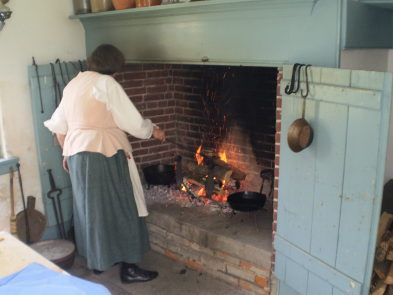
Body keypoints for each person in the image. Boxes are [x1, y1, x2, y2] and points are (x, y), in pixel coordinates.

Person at [44, 44, 165, 283]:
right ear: (114, 66)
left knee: (91, 211)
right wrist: (155, 131)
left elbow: (59, 126)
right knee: (123, 206)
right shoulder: (107, 84)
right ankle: (129, 268)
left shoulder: (74, 83)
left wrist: (68, 153)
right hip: (104, 155)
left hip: (77, 156)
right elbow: (133, 123)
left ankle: (99, 262)